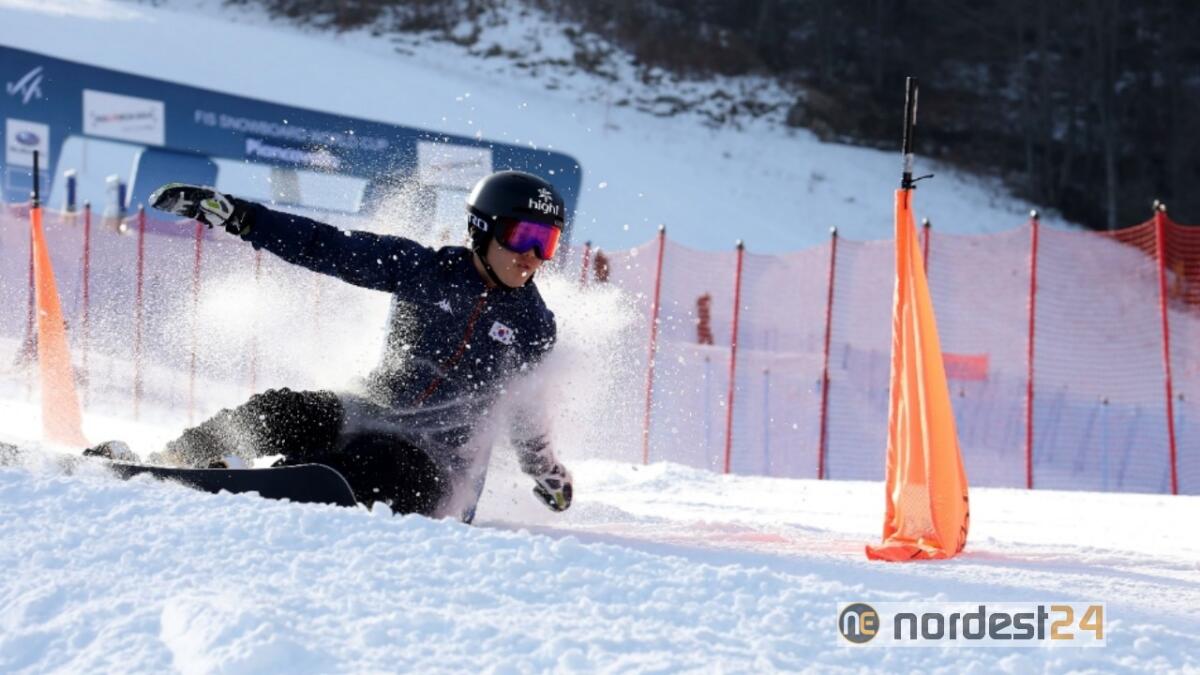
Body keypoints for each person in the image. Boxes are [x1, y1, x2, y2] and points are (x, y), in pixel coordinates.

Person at [103, 171, 574, 522]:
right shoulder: (424, 271)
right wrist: (242, 218)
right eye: (522, 236)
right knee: (288, 409)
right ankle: (165, 464)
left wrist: (544, 469)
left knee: (376, 457)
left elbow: (528, 411)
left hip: (435, 470)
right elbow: (327, 246)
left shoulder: (533, 325)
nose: (532, 256)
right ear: (482, 228)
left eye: (546, 243)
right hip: (371, 413)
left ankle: (267, 479)